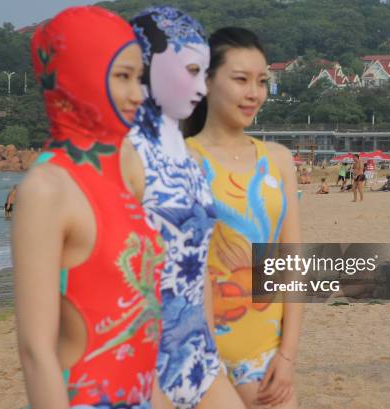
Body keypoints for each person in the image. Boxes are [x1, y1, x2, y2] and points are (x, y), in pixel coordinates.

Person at [12, 7, 164, 408]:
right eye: (122, 76)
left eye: (140, 78)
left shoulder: (124, 171)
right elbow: (35, 352)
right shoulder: (47, 189)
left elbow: (141, 327)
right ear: (81, 75)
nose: (139, 94)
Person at [124, 8, 245, 409]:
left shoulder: (190, 161)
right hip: (141, 361)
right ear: (148, 65)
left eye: (204, 73)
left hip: (200, 359)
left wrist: (212, 351)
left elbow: (200, 270)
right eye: (190, 69)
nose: (201, 85)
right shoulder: (125, 155)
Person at [185, 27, 302, 409]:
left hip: (266, 356)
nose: (254, 93)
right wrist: (207, 365)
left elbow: (292, 260)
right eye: (240, 80)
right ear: (205, 80)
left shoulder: (279, 160)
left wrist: (286, 357)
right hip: (201, 358)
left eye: (262, 81)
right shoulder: (181, 160)